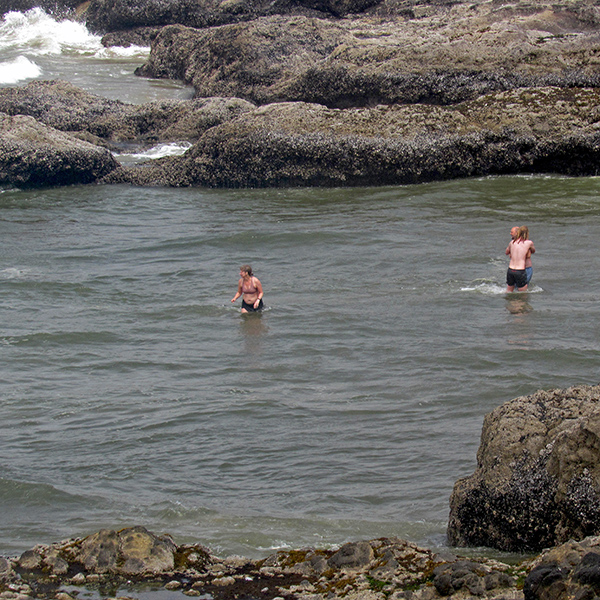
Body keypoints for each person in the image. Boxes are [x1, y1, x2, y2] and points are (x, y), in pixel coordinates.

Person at [505, 226, 535, 292]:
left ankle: (509, 302)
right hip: (520, 270)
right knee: (523, 293)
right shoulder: (529, 243)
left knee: (509, 291)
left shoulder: (511, 242)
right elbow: (533, 251)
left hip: (510, 270)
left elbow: (507, 252)